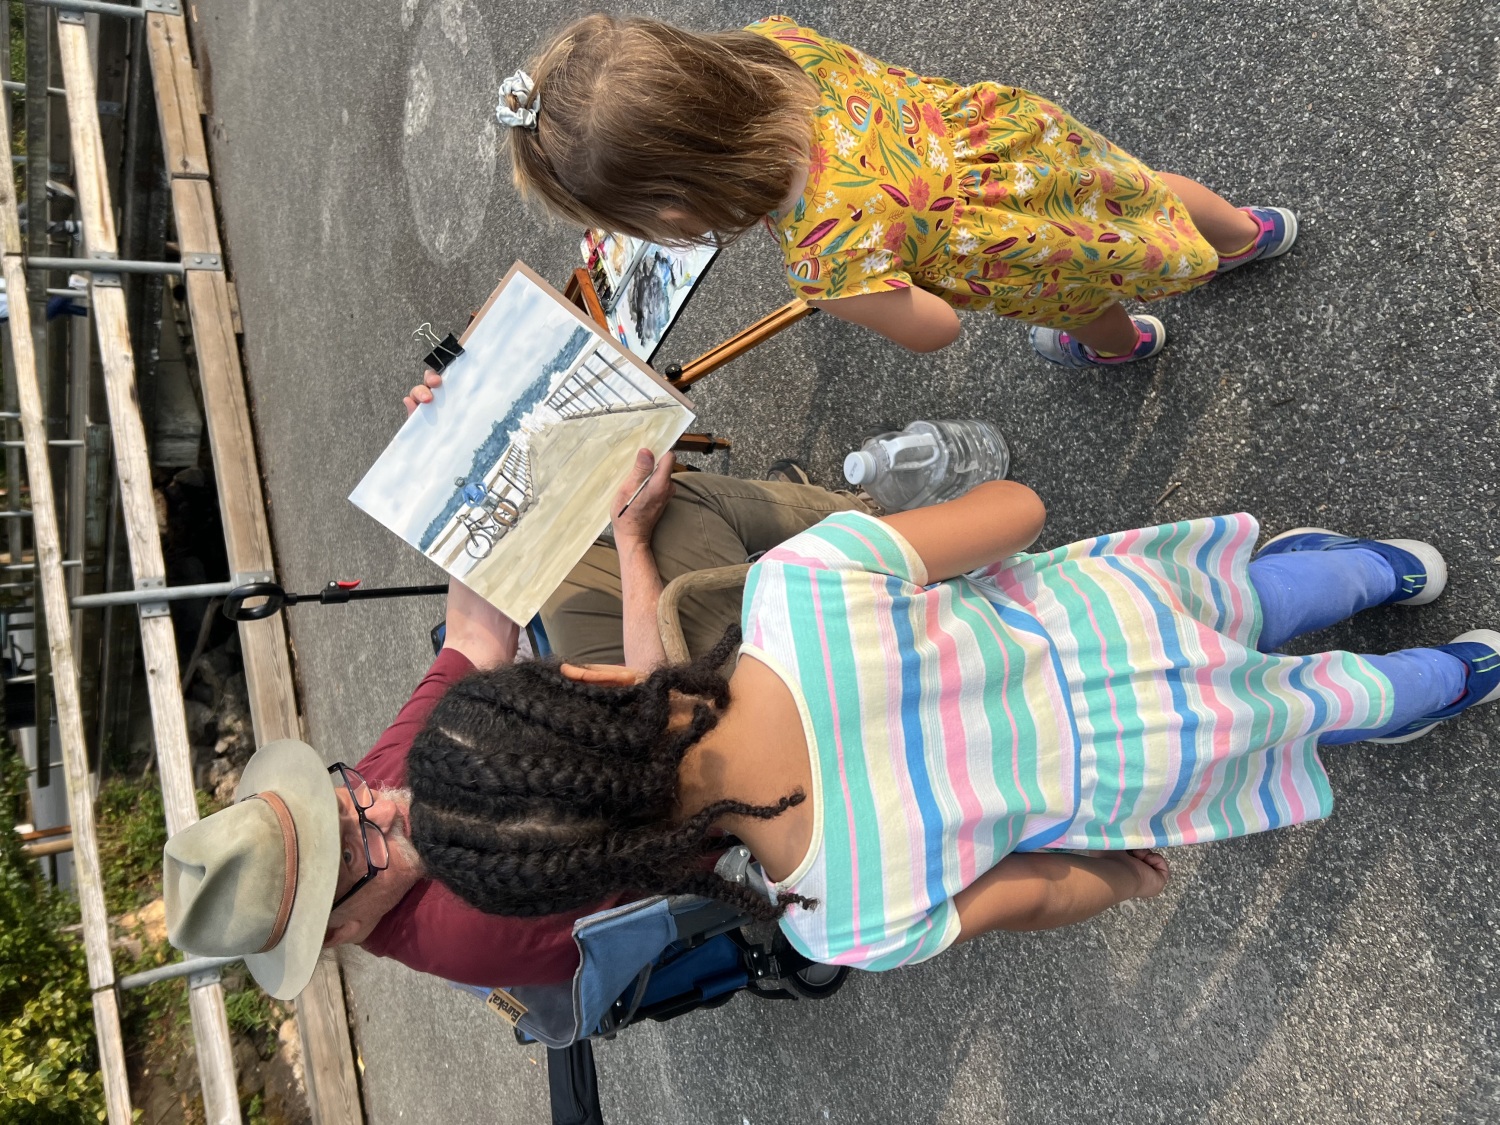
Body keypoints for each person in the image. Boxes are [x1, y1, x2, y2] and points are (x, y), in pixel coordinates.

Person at [404, 482, 1500, 971]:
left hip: (1147, 763)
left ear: (620, 868)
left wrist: (1124, 883)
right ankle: (1386, 571)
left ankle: (1445, 680)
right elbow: (1016, 511)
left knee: (1300, 710)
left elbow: (1039, 893)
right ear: (590, 678)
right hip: (1107, 618)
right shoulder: (799, 586)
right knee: (1252, 599)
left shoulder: (834, 924)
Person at [163, 448, 875, 994]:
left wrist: (466, 464)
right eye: (352, 851)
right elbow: (670, 752)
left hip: (635, 736)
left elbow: (473, 639)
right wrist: (631, 548)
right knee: (673, 516)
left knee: (572, 539)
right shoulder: (472, 927)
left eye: (339, 800)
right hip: (706, 779)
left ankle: (822, 532)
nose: (383, 804)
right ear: (341, 928)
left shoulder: (376, 809)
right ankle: (861, 533)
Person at [495, 14, 1297, 367]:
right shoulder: (780, 44)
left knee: (1080, 295)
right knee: (1138, 189)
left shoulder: (826, 261)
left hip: (1013, 248)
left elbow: (937, 329)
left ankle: (1122, 344)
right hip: (1021, 143)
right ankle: (1245, 234)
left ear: (673, 210)